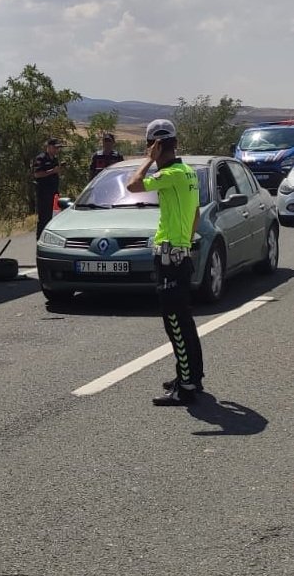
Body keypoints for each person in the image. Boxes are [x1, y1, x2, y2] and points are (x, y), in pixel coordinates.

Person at [127, 119, 204, 406]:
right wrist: (185, 240)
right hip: (180, 254)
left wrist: (147, 161)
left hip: (170, 259)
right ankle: (191, 376)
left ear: (156, 146)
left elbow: (133, 185)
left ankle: (186, 387)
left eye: (151, 146)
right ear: (176, 143)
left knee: (175, 321)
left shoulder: (169, 173)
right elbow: (195, 213)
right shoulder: (189, 173)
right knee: (184, 321)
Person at [33, 138, 63, 239]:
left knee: (54, 217)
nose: (56, 150)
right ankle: (40, 239)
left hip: (54, 193)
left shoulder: (54, 159)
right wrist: (52, 171)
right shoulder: (41, 158)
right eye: (55, 147)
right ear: (49, 147)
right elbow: (37, 174)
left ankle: (50, 238)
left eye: (57, 148)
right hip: (44, 194)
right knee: (44, 218)